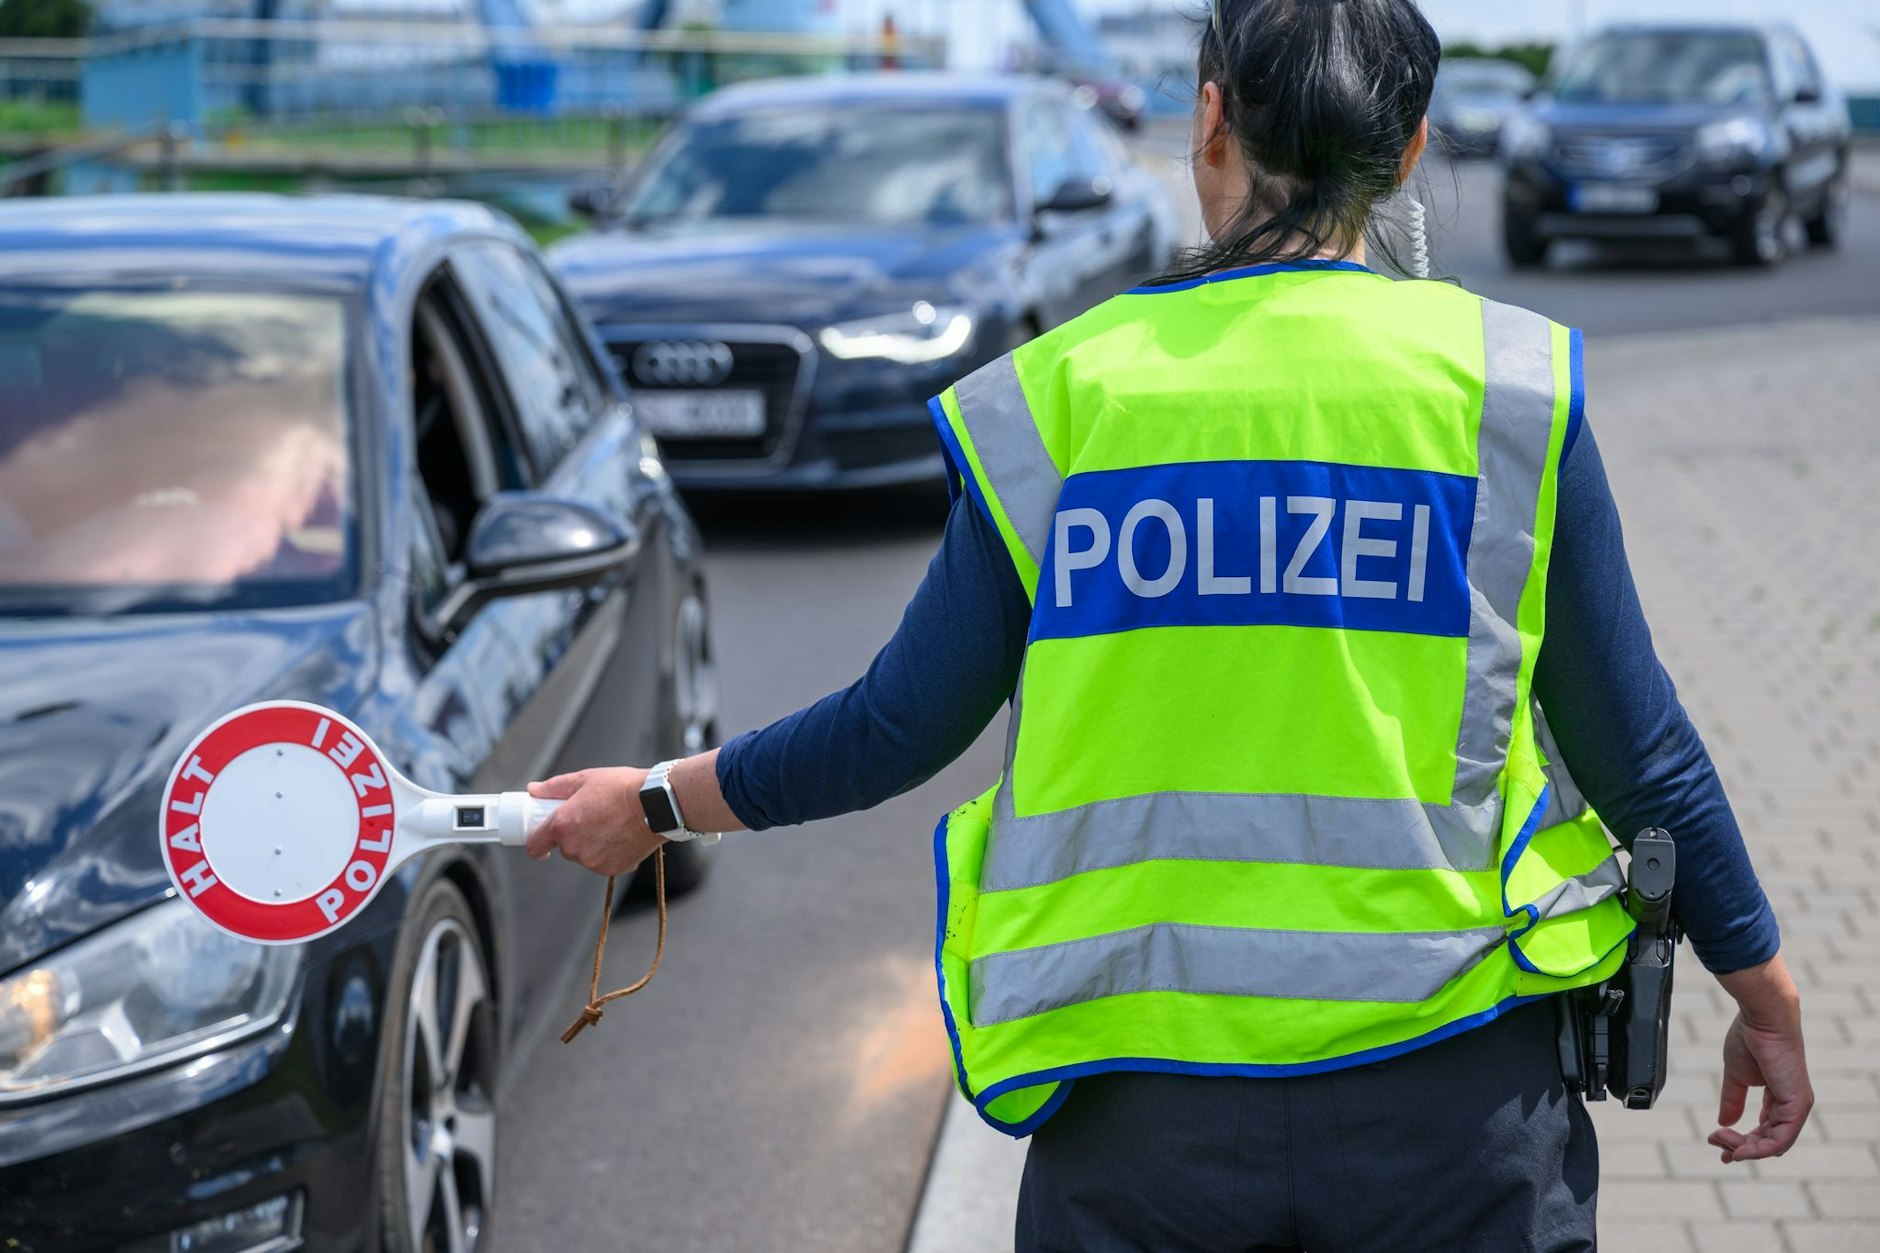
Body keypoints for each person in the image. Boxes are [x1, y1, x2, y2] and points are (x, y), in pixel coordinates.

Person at [525, 1, 1814, 1247]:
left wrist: (650, 803)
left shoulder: (1063, 396)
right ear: (1411, 149)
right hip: (1454, 1106)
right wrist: (1759, 983)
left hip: (1140, 1113)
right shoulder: (1509, 390)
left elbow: (893, 727)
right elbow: (1640, 748)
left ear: (1210, 119)